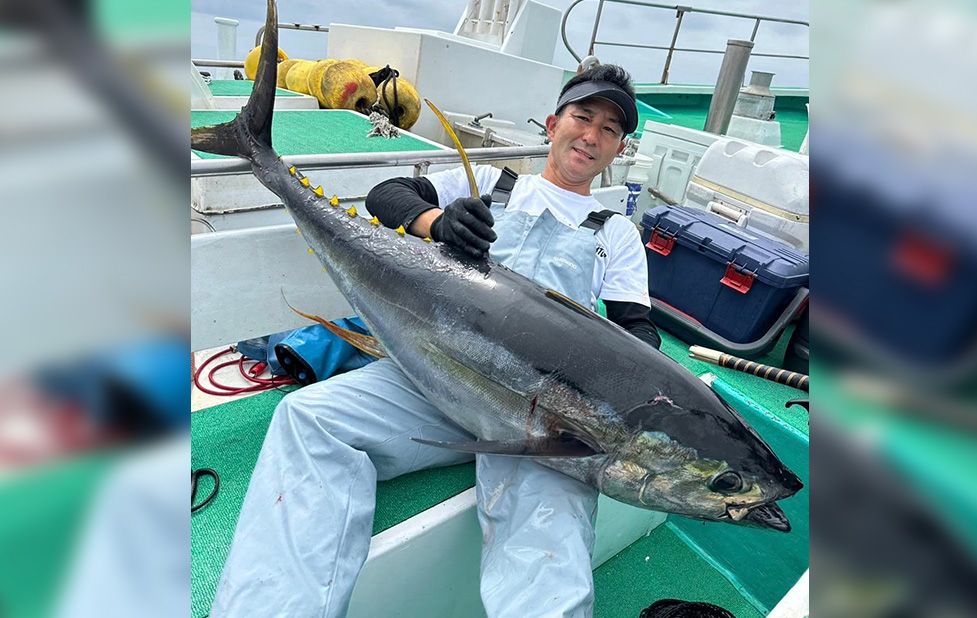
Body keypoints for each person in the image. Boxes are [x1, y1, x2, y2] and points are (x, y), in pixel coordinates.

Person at [211, 64, 661, 618]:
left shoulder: (616, 233)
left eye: (610, 130)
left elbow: (636, 328)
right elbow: (385, 193)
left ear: (618, 148)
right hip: (431, 373)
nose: (592, 136)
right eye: (583, 117)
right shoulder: (493, 187)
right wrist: (435, 221)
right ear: (553, 123)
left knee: (549, 550)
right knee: (309, 419)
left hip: (538, 418)